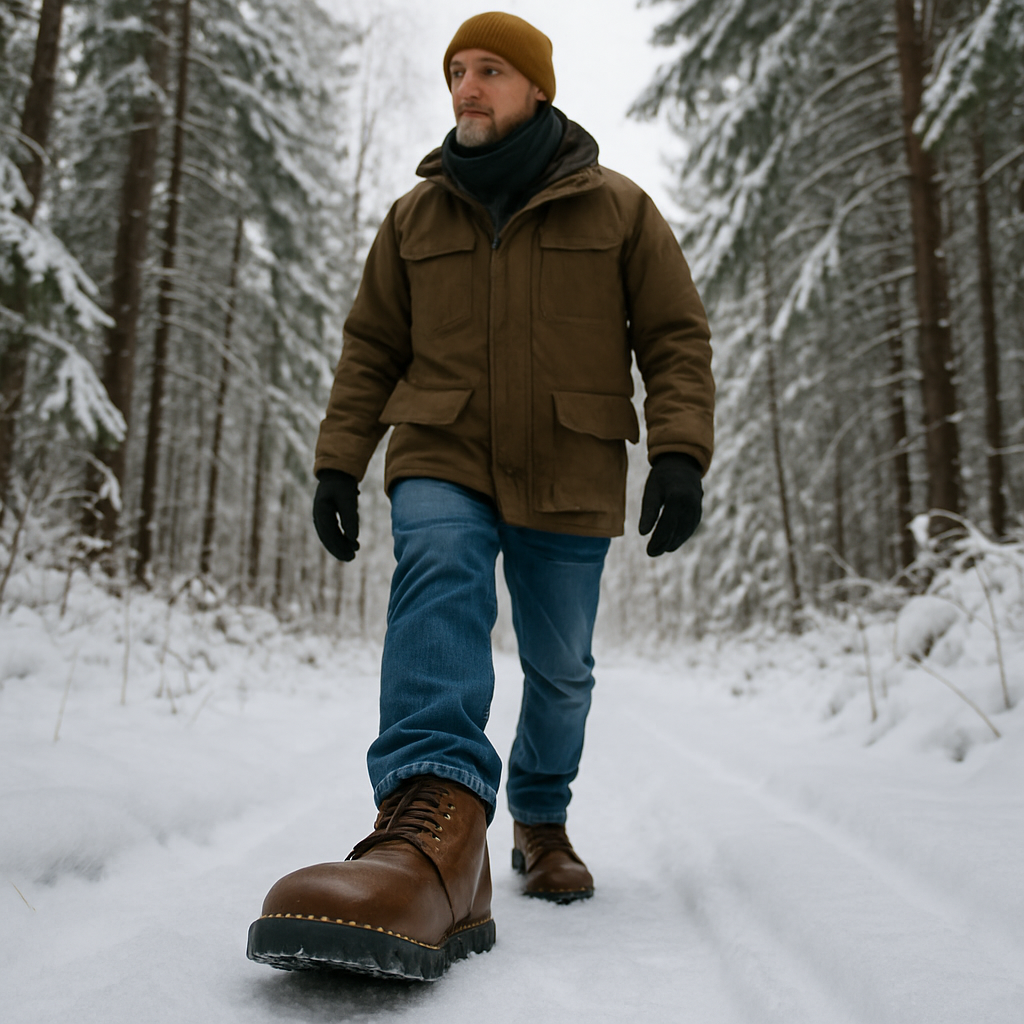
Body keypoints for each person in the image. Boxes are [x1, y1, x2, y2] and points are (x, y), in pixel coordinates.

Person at [246, 11, 714, 981]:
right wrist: (339, 459)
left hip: (570, 464)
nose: (466, 86)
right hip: (442, 445)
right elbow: (372, 345)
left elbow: (673, 337)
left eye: (490, 70)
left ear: (535, 87)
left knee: (561, 669)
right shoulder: (415, 217)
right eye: (456, 69)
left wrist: (680, 453)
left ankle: (540, 817)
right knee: (440, 562)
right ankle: (433, 820)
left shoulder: (618, 209)